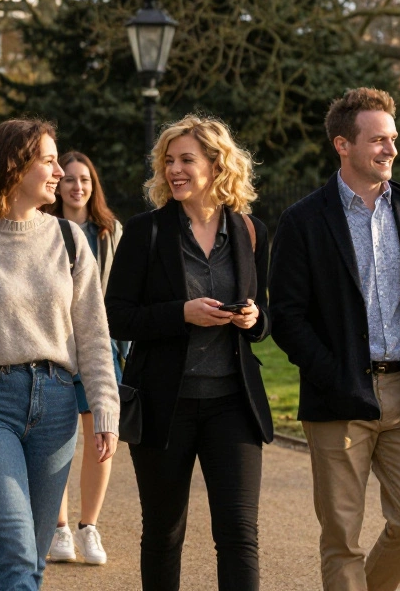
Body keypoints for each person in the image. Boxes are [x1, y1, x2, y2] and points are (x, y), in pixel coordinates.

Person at [0, 119, 120, 591]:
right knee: (14, 548)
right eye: (49, 161)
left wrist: (106, 409)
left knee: (32, 558)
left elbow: (93, 335)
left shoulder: (71, 243)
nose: (59, 172)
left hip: (56, 407)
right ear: (15, 166)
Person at [270, 88, 400, 591]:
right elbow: (286, 316)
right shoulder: (303, 221)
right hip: (338, 398)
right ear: (342, 145)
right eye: (378, 140)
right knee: (342, 539)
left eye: (393, 139)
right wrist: (332, 373)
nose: (391, 149)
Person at [105, 116, 273, 590]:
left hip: (233, 404)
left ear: (217, 165)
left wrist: (253, 319)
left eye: (186, 160)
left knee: (239, 534)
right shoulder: (146, 232)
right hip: (164, 405)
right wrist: (181, 313)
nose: (174, 170)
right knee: (164, 532)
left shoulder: (251, 231)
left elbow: (268, 318)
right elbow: (116, 316)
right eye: (168, 161)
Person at [45, 150, 126, 565]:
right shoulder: (43, 228)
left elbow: (122, 295)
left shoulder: (110, 232)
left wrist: (122, 349)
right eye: (70, 179)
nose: (77, 187)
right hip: (56, 347)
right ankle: (58, 529)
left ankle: (88, 526)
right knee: (56, 440)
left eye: (85, 180)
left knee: (102, 440)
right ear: (57, 185)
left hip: (100, 347)